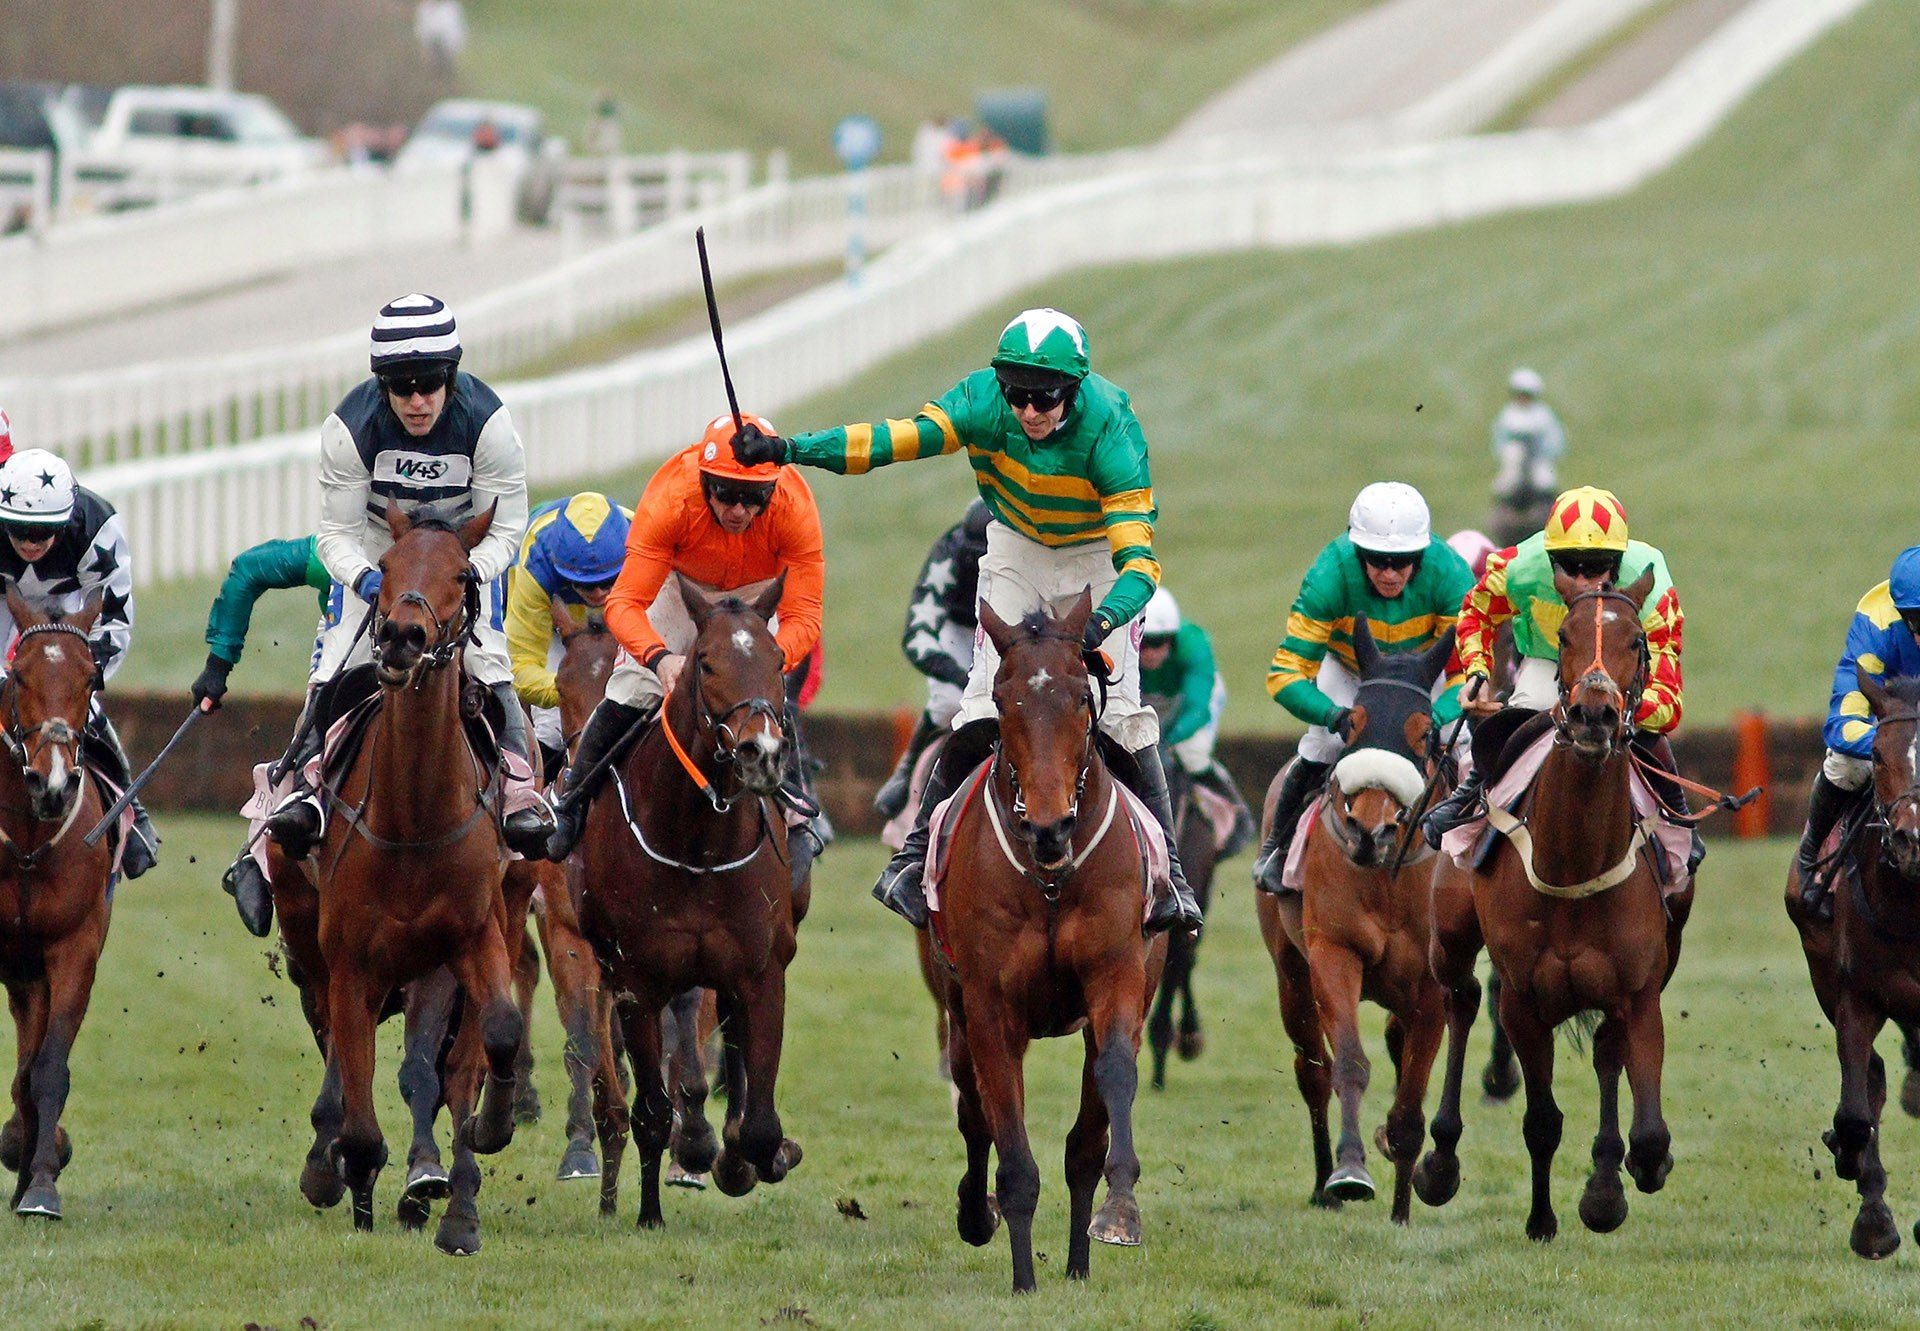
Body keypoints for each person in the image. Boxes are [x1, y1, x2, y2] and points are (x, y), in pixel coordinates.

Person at [733, 306, 1204, 935]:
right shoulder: (981, 402)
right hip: (1015, 547)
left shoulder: (1113, 428)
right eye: (1018, 396)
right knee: (981, 704)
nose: (1030, 412)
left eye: (1046, 398)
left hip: (1098, 559)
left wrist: (1100, 624)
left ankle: (1170, 875)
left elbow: (1140, 566)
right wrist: (789, 450)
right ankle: (910, 857)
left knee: (1119, 715)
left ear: (1075, 390)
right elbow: (887, 441)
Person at [264, 293, 553, 860]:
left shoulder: (489, 425)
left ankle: (519, 794)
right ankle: (305, 788)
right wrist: (370, 582)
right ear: (381, 386)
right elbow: (336, 537)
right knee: (338, 661)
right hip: (381, 554)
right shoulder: (349, 429)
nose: (418, 402)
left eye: (430, 385)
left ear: (451, 375)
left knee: (489, 659)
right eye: (402, 389)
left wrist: (470, 573)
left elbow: (509, 528)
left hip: (462, 560)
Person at [543, 412, 825, 861]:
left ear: (774, 490)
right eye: (726, 494)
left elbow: (805, 614)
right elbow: (624, 604)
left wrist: (766, 664)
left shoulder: (796, 508)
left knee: (764, 698)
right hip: (682, 586)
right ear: (704, 482)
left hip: (758, 594)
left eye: (754, 498)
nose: (738, 511)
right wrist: (659, 659)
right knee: (630, 689)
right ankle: (571, 802)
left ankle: (798, 821)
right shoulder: (671, 500)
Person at [1420, 486, 1690, 862]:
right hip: (1552, 663)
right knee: (1526, 710)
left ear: (1617, 562)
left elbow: (1668, 700)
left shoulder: (1655, 589)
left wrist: (1622, 707)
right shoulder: (1518, 568)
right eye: (1567, 565)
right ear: (1549, 558)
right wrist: (1478, 671)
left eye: (1594, 566)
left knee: (1651, 734)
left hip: (1622, 677)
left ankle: (1677, 819)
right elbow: (1476, 611)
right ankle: (1471, 794)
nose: (1581, 580)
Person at [1252, 483, 1474, 894]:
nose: (1390, 573)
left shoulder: (1451, 574)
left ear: (1421, 556)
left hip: (1423, 678)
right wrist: (1332, 716)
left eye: (1402, 562)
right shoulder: (1329, 575)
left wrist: (1436, 718)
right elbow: (1284, 674)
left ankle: (1482, 852)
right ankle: (1277, 848)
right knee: (1321, 745)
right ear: (1357, 554)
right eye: (1377, 561)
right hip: (1353, 672)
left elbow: (1467, 675)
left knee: (1461, 745)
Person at [0, 447, 153, 877]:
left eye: (43, 531)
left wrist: (78, 678)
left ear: (67, 521)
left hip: (70, 603)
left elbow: (115, 621)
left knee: (71, 703)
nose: (30, 542)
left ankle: (132, 811)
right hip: (3, 595)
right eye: (19, 529)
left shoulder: (98, 528)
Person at [191, 533, 332, 935]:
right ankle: (258, 857)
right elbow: (249, 569)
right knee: (310, 742)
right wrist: (219, 663)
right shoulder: (337, 549)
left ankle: (518, 808)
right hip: (349, 667)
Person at [1795, 546, 1920, 917]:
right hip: (1893, 736)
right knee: (1845, 766)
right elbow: (1843, 723)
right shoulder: (1875, 622)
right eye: (1913, 623)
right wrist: (1898, 749)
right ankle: (1809, 863)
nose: (1919, 638)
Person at [871, 499, 991, 820]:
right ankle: (908, 767)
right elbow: (917, 635)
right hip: (959, 630)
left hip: (1009, 629)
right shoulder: (949, 553)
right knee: (950, 702)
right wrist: (962, 677)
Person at [503, 492, 632, 778]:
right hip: (550, 625)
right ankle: (540, 806)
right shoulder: (535, 566)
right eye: (585, 584)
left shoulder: (642, 549)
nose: (598, 593)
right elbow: (519, 668)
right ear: (562, 571)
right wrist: (574, 690)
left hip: (624, 618)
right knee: (550, 728)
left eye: (608, 581)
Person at [1136, 585, 1252, 852]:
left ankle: (1236, 813)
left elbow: (1198, 708)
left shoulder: (1195, 645)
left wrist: (1169, 738)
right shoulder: (1120, 648)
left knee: (1192, 754)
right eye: (1143, 643)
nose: (1150, 652)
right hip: (1146, 697)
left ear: (1173, 639)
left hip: (1190, 700)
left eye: (1159, 642)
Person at [1489, 368, 1567, 545]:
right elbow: (1499, 441)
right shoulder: (1508, 414)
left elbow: (1555, 441)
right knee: (1507, 479)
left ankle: (1551, 511)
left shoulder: (1543, 415)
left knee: (1544, 479)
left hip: (1538, 457)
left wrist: (1545, 452)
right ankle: (1501, 511)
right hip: (1515, 458)